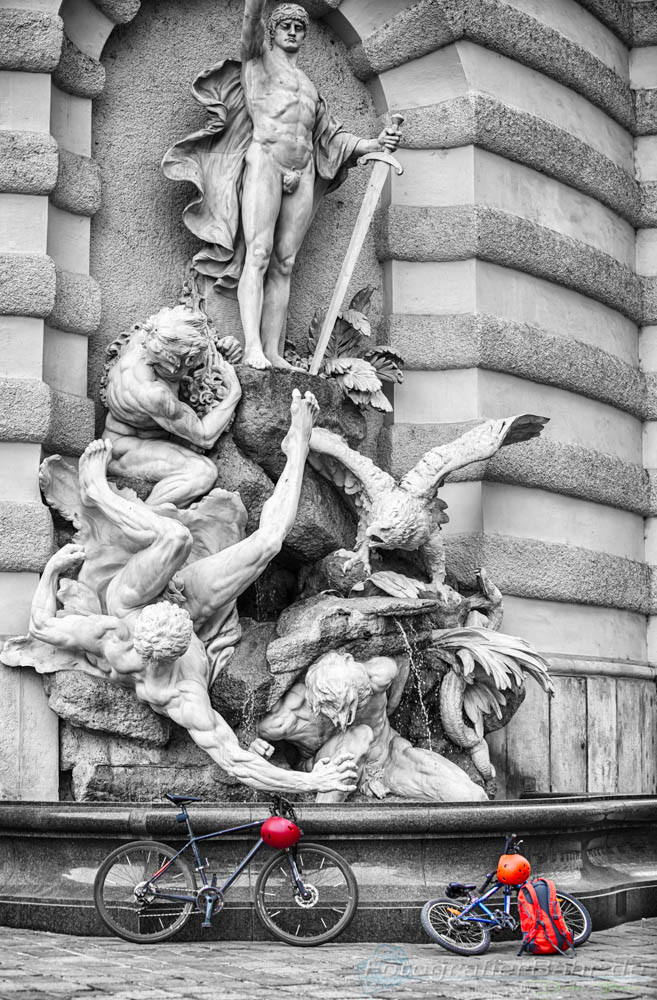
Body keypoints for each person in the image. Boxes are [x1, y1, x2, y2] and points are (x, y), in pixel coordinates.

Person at [27, 391, 358, 796]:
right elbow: (235, 760)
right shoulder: (172, 686)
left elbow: (41, 624)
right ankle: (99, 493)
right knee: (186, 538)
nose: (170, 594)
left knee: (258, 542)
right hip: (133, 599)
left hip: (149, 600)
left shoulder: (118, 636)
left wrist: (51, 570)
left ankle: (297, 445)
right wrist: (312, 781)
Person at [162, 2, 401, 370]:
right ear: (272, 32)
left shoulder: (309, 86)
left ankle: (273, 352)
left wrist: (373, 143)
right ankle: (253, 347)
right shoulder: (257, 63)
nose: (292, 31)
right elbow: (251, 21)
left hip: (303, 171)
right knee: (258, 254)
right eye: (285, 25)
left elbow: (330, 137)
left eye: (298, 27)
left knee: (284, 263)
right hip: (265, 162)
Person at [253, 650, 489, 802]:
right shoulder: (286, 716)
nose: (349, 714)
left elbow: (397, 672)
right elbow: (248, 735)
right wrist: (255, 748)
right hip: (327, 769)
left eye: (359, 700)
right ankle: (321, 823)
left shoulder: (379, 675)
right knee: (361, 734)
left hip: (387, 758)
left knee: (469, 795)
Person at [102, 305, 242, 507]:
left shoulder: (151, 336)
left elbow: (192, 336)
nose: (202, 362)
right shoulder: (155, 394)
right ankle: (145, 518)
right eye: (197, 360)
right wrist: (234, 393)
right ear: (185, 361)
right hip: (123, 448)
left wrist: (223, 346)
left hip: (156, 437)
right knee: (202, 473)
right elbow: (204, 436)